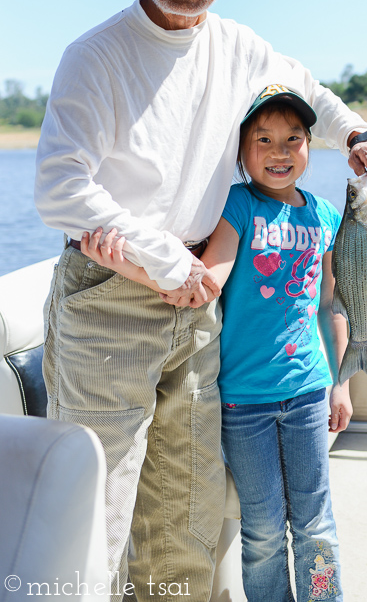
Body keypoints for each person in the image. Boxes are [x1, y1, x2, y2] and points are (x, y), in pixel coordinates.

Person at [35, 0, 367, 602]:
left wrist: (356, 132)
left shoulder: (242, 49)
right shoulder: (94, 55)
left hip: (200, 302)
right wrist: (163, 261)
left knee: (188, 510)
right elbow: (62, 188)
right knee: (98, 506)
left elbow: (313, 97)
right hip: (109, 298)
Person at [82, 85, 351, 602]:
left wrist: (341, 384)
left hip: (310, 395)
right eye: (264, 139)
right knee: (265, 529)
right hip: (243, 401)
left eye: (294, 139)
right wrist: (118, 262)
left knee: (316, 524)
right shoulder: (238, 205)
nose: (279, 151)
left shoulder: (324, 216)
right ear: (241, 151)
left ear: (311, 147)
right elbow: (206, 279)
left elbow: (333, 307)